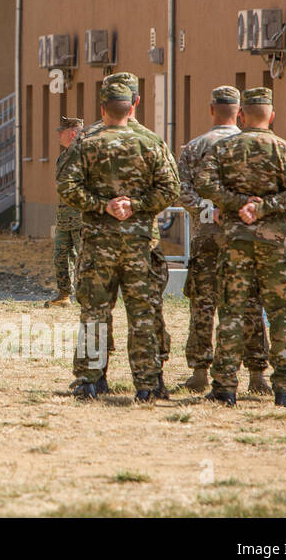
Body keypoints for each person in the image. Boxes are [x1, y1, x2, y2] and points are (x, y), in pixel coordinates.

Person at [58, 77, 178, 401]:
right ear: (135, 104)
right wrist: (135, 205)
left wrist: (102, 206)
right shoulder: (151, 142)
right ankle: (148, 384)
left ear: (101, 107)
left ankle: (90, 381)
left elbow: (66, 187)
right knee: (143, 314)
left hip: (99, 245)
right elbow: (170, 189)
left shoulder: (86, 142)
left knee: (95, 312)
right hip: (140, 245)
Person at [195, 87, 286, 407]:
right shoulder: (285, 150)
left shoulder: (224, 149)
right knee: (282, 313)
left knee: (232, 312)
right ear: (271, 116)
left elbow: (204, 183)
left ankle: (225, 387)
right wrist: (265, 207)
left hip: (236, 241)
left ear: (242, 116)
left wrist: (237, 204)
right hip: (273, 243)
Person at [176, 86, 269, 393]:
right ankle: (258, 375)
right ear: (239, 112)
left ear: (211, 109)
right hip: (246, 236)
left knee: (203, 304)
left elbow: (182, 190)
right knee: (250, 302)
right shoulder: (254, 145)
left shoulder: (193, 147)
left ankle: (200, 371)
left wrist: (208, 210)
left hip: (207, 237)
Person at [48, 116, 84, 307]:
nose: (58, 135)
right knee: (61, 257)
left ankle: (90, 297)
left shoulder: (86, 155)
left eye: (61, 131)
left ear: (72, 133)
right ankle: (64, 296)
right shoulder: (62, 157)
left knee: (85, 258)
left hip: (80, 217)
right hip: (64, 217)